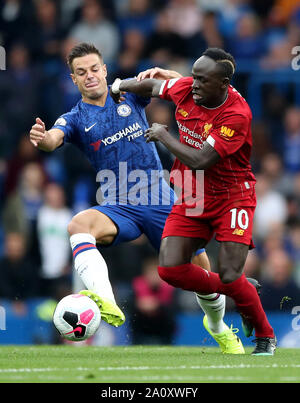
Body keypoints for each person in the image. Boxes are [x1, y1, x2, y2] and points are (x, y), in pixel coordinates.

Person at [29, 42, 243, 353]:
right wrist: (42, 138)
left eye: (93, 69)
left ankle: (218, 326)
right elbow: (52, 140)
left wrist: (165, 73)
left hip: (161, 199)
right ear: (73, 80)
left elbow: (183, 89)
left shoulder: (130, 93)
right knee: (78, 226)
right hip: (119, 205)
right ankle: (105, 299)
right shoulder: (74, 118)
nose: (89, 76)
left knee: (201, 268)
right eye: (80, 73)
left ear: (104, 70)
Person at [110, 47, 276, 355]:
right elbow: (151, 86)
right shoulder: (188, 89)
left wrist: (163, 134)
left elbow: (200, 159)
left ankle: (265, 335)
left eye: (202, 79)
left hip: (232, 198)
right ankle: (242, 289)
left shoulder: (236, 115)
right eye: (194, 76)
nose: (194, 83)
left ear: (224, 83)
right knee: (170, 269)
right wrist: (119, 85)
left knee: (228, 272)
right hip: (192, 194)